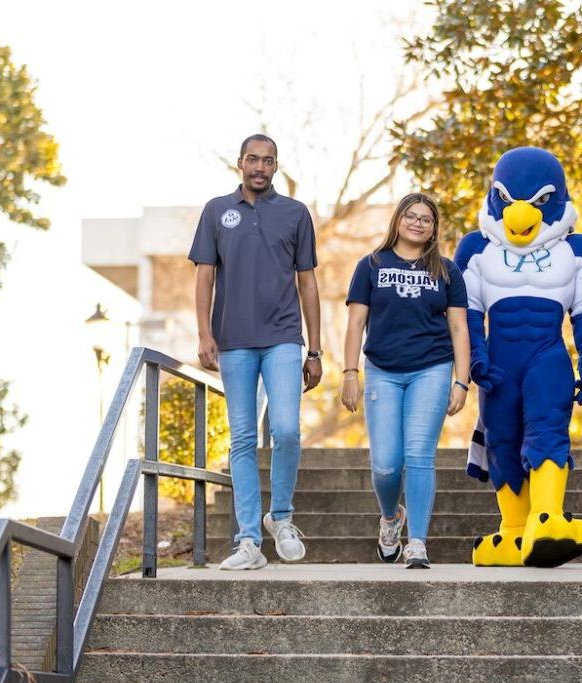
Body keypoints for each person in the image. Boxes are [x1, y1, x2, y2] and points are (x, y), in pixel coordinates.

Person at [191, 133, 322, 571]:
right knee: (243, 439)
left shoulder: (295, 213)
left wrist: (316, 349)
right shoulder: (216, 212)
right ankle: (248, 540)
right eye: (253, 159)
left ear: (276, 167)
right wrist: (205, 334)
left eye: (268, 161)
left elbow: (308, 283)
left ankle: (280, 517)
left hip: (284, 337)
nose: (260, 168)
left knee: (286, 430)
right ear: (240, 163)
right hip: (233, 342)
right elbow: (204, 277)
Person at [341, 193, 470, 569]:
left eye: (426, 219)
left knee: (418, 456)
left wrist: (462, 381)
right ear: (398, 220)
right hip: (382, 370)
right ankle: (390, 518)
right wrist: (350, 372)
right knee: (385, 464)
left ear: (433, 229)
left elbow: (460, 328)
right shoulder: (371, 265)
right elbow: (355, 323)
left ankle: (417, 542)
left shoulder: (447, 271)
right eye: (411, 216)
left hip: (431, 368)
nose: (417, 223)